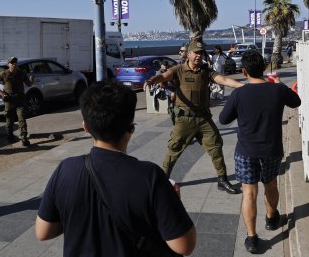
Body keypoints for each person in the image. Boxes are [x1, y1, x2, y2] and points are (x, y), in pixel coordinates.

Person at [36, 80, 196, 257]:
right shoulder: (149, 176)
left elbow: (43, 232)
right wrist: (173, 200)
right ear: (131, 128)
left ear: (85, 127)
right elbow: (184, 246)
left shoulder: (65, 169)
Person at [219, 50, 301, 253]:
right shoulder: (278, 90)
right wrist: (278, 82)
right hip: (271, 150)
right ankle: (272, 219)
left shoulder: (239, 93)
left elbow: (223, 119)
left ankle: (252, 238)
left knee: (249, 193)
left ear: (244, 71)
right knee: (271, 185)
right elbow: (296, 102)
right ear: (264, 68)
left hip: (245, 150)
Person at [143, 41, 244, 194]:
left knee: (216, 146)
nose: (198, 55)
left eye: (201, 53)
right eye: (195, 53)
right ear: (188, 54)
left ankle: (222, 179)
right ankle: (163, 181)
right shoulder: (178, 70)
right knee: (174, 150)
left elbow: (223, 80)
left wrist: (248, 86)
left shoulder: (206, 71)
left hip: (204, 119)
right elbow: (164, 76)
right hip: (184, 120)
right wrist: (152, 80)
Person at [0, 57, 34, 146]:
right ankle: (10, 137)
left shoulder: (21, 73)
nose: (14, 64)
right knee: (9, 120)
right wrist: (2, 93)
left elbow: (29, 84)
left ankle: (24, 138)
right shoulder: (3, 74)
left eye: (15, 62)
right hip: (9, 100)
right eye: (12, 62)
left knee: (22, 118)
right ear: (8, 64)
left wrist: (31, 80)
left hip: (20, 99)